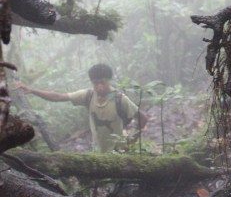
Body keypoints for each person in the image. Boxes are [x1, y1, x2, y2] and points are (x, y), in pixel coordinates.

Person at [15, 63, 145, 153]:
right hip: (98, 152)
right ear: (91, 82)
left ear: (109, 81)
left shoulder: (119, 98)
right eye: (96, 83)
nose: (99, 87)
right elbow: (58, 97)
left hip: (120, 151)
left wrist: (132, 140)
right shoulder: (88, 95)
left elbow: (143, 119)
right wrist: (32, 90)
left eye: (103, 82)